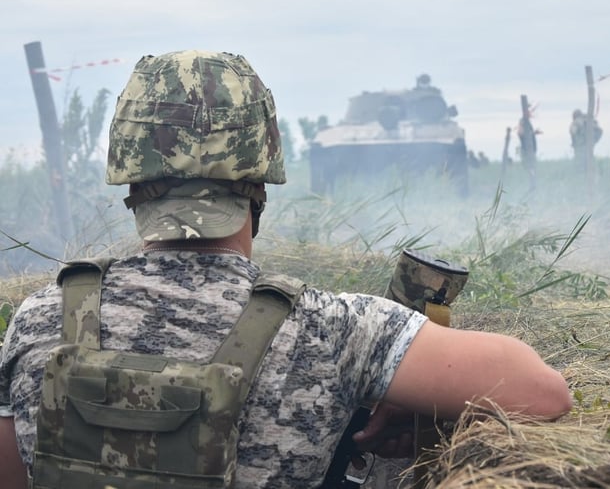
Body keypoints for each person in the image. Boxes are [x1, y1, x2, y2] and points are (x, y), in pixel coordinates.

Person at [0, 50, 572, 489]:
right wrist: (401, 378)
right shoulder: (334, 329)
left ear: (129, 181)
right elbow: (543, 392)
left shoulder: (37, 321)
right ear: (259, 183)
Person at [517, 107, 540, 191]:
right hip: (526, 151)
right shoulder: (522, 122)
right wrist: (532, 133)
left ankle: (533, 186)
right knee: (529, 169)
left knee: (532, 169)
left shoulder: (526, 122)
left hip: (530, 151)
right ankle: (530, 187)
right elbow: (520, 133)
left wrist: (533, 133)